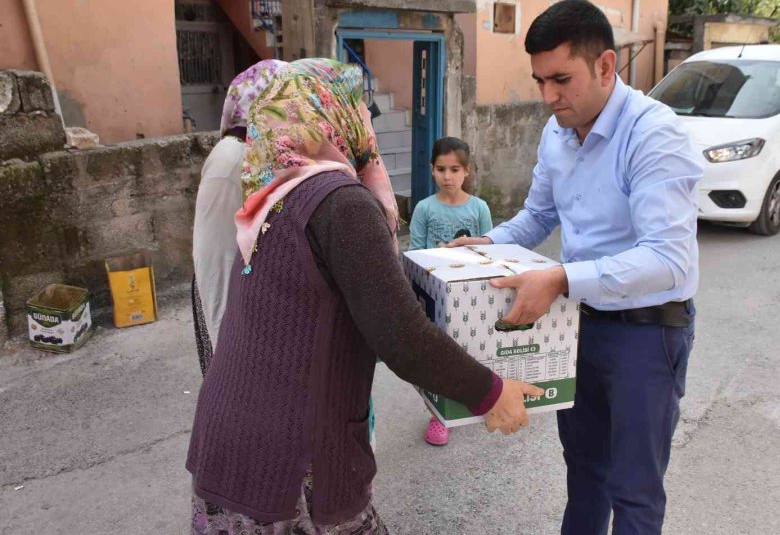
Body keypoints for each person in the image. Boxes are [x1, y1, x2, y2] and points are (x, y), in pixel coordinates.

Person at [186, 58, 542, 534]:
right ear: (340, 116)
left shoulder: (274, 195)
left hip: (228, 449)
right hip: (291, 462)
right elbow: (400, 334)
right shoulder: (341, 203)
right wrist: (491, 393)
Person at [450, 0, 704, 535]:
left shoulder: (653, 134)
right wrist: (486, 243)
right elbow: (539, 214)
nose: (548, 97)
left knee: (634, 491)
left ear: (605, 66)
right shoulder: (558, 132)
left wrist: (561, 278)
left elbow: (666, 258)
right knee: (584, 473)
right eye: (540, 81)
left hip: (646, 334)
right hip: (578, 326)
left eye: (561, 79)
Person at [191, 59, 287, 375]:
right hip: (237, 322)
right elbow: (214, 261)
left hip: (262, 310)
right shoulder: (231, 159)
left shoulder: (270, 154)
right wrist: (230, 356)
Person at [408, 137, 493, 446]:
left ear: (466, 171)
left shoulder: (479, 208)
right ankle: (439, 414)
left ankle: (477, 400)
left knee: (472, 350)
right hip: (434, 297)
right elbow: (414, 254)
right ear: (432, 169)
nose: (448, 176)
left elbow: (490, 253)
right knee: (437, 356)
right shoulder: (424, 208)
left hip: (471, 294)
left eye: (455, 169)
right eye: (441, 169)